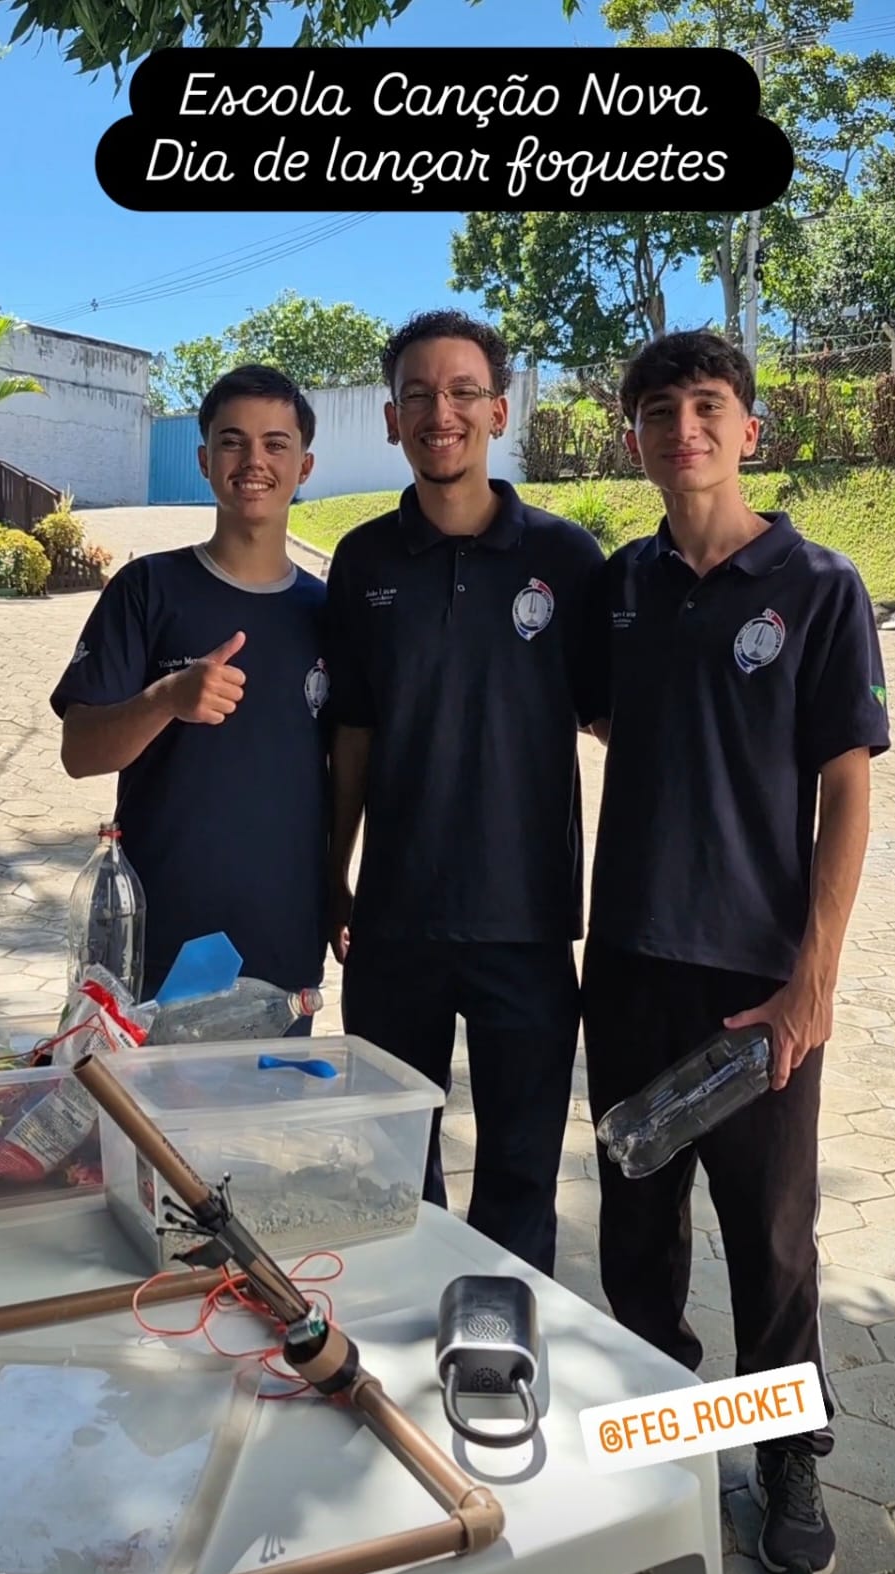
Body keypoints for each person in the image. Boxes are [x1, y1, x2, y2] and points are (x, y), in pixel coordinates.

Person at [580, 330, 891, 1574]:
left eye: (708, 406)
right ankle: (668, 1442)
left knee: (771, 1241)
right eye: (659, 410)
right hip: (631, 963)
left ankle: (785, 1456)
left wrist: (813, 977)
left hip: (759, 983)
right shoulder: (619, 587)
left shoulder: (819, 587)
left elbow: (847, 790)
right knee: (635, 1230)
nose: (684, 429)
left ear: (748, 429)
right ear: (638, 438)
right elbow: (603, 715)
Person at [325, 309, 605, 1276]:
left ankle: (500, 1353)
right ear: (392, 420)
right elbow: (351, 733)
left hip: (525, 925)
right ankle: (403, 1350)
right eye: (415, 394)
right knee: (393, 1163)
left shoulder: (569, 562)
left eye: (459, 392)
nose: (438, 412)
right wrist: (334, 875)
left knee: (523, 1171)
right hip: (395, 924)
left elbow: (624, 720)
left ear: (498, 407)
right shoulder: (360, 563)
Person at [50, 364, 331, 1015]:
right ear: (205, 460)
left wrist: (340, 886)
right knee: (136, 1119)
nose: (253, 460)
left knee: (262, 1119)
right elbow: (79, 751)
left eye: (275, 443)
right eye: (233, 441)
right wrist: (168, 698)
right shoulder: (147, 591)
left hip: (281, 943)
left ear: (305, 466)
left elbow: (351, 761)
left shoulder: (330, 612)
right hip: (154, 946)